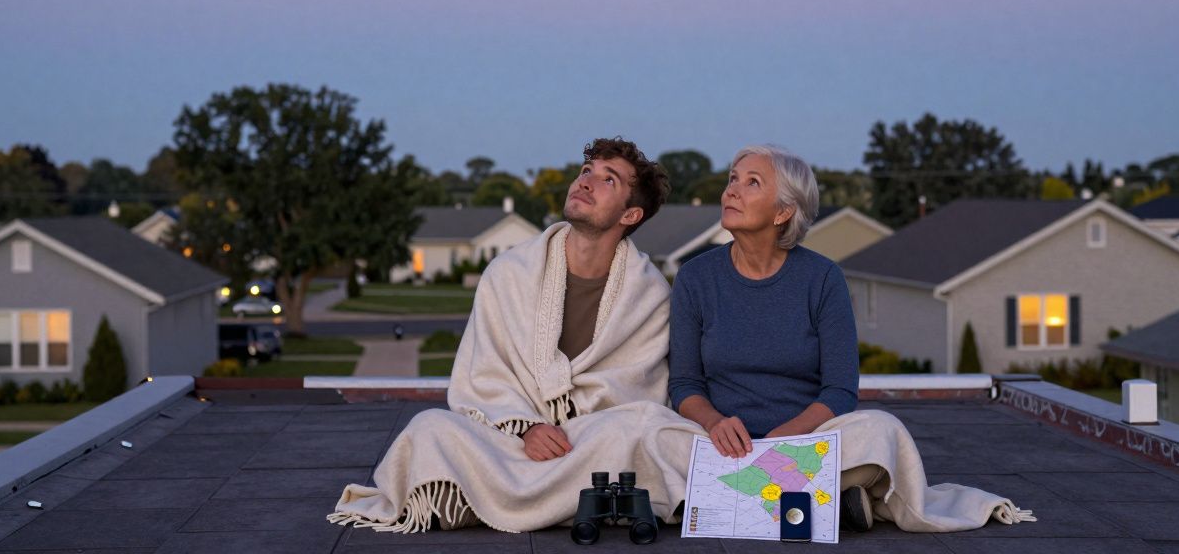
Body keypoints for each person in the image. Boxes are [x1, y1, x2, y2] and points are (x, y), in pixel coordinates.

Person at [330, 137, 703, 533]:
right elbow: (484, 373)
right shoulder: (509, 272)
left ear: (630, 215)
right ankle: (576, 500)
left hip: (588, 440)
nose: (586, 182)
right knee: (429, 429)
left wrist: (570, 431)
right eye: (585, 171)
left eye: (608, 179)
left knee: (651, 428)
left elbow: (637, 389)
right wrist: (527, 427)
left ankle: (490, 499)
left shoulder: (648, 293)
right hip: (509, 442)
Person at [669, 144, 1035, 533]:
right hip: (721, 446)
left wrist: (788, 437)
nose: (731, 191)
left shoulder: (822, 279)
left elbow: (840, 390)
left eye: (752, 182)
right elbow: (685, 384)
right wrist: (714, 423)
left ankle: (714, 498)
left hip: (808, 443)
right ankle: (833, 496)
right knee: (646, 427)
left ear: (783, 212)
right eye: (732, 180)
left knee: (881, 429)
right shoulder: (695, 278)